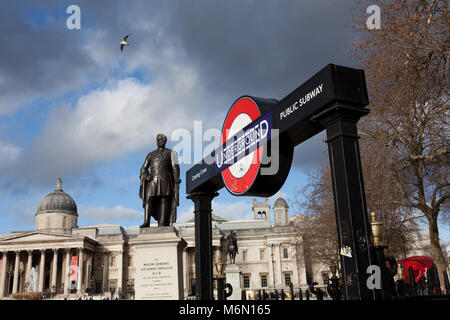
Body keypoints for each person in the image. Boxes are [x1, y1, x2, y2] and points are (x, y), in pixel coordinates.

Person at [139, 133, 181, 227]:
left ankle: (162, 223)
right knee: (149, 199)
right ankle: (146, 222)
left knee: (164, 200)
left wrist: (176, 178)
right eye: (158, 140)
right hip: (152, 181)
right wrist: (146, 175)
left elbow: (175, 167)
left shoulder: (172, 153)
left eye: (161, 140)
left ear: (165, 141)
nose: (159, 141)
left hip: (165, 180)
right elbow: (143, 168)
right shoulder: (150, 155)